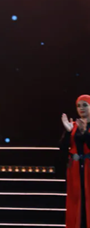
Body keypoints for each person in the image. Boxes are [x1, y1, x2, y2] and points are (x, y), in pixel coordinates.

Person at [61, 94, 90, 228]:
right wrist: (68, 132)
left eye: (85, 105)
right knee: (76, 199)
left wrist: (85, 133)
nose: (81, 108)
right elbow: (62, 147)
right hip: (75, 169)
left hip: (89, 168)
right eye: (78, 106)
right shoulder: (73, 125)